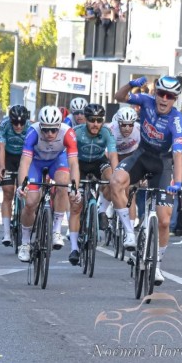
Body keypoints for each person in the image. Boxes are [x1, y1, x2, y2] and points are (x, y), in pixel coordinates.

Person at [107, 75, 182, 286]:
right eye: (161, 93)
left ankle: (157, 265)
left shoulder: (177, 120)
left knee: (164, 220)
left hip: (162, 164)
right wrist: (130, 85)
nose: (164, 99)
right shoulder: (145, 101)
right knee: (115, 182)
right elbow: (119, 96)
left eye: (170, 96)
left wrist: (178, 182)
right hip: (142, 156)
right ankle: (129, 233)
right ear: (155, 93)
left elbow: (178, 153)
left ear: (175, 99)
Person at [15, 106, 80, 263]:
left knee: (63, 183)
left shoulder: (68, 132)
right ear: (40, 126)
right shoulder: (33, 132)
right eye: (45, 130)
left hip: (57, 161)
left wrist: (75, 188)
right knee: (30, 203)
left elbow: (73, 163)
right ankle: (25, 243)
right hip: (36, 163)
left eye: (53, 130)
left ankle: (56, 230)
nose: (49, 134)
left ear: (59, 126)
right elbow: (25, 162)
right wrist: (22, 185)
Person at [68, 104, 118, 264]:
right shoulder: (76, 132)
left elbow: (113, 155)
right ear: (86, 120)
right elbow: (69, 157)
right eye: (92, 120)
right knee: (76, 206)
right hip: (79, 164)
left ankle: (102, 211)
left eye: (99, 120)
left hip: (98, 162)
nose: (95, 124)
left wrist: (117, 176)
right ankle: (74, 248)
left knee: (112, 179)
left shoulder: (107, 132)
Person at [0, 105, 29, 247]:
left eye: (22, 123)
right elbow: (0, 147)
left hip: (24, 157)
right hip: (8, 157)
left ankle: (26, 225)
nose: (18, 126)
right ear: (10, 121)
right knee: (8, 192)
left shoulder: (31, 127)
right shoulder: (4, 125)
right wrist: (1, 167)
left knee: (27, 191)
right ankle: (6, 233)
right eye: (15, 123)